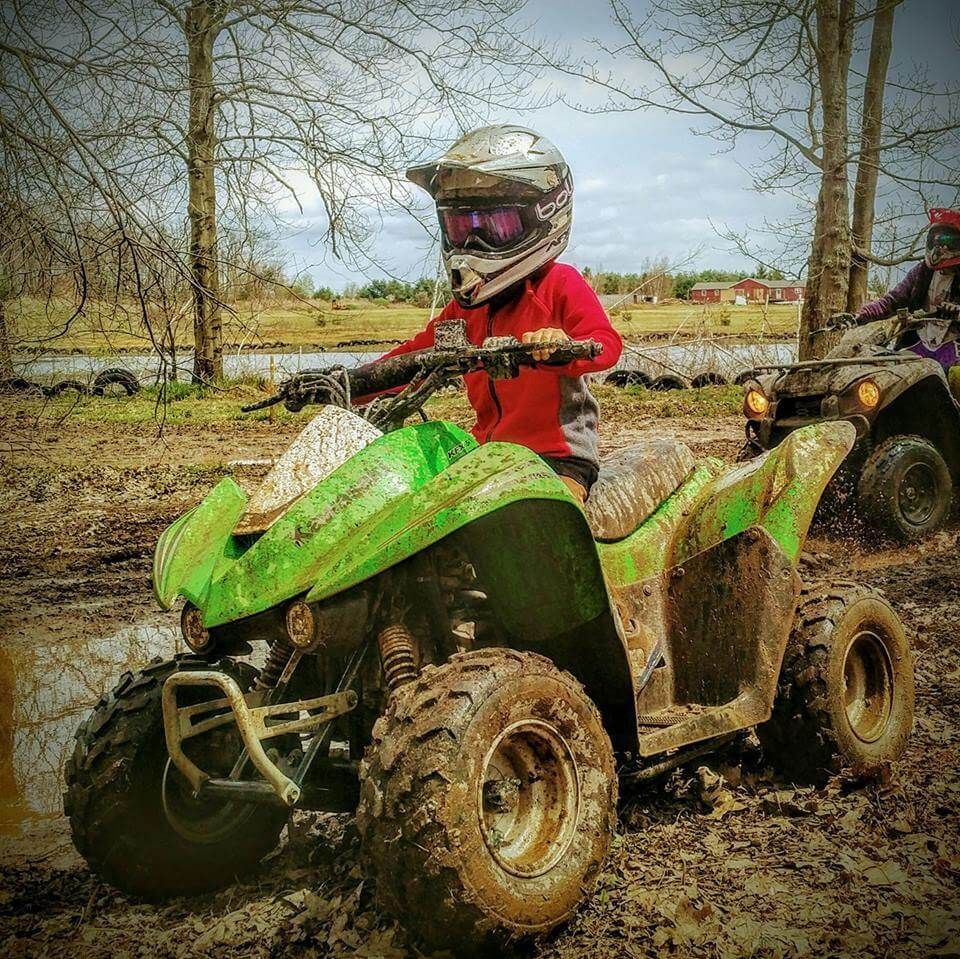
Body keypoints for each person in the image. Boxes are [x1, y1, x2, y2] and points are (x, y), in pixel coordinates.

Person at [358, 125, 623, 503]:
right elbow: (413, 357)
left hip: (557, 459)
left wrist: (565, 345)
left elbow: (606, 343)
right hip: (487, 454)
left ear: (543, 215)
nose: (472, 241)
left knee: (547, 522)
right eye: (461, 226)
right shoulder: (465, 311)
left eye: (493, 226)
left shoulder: (559, 284)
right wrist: (351, 383)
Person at [854, 208, 960, 369]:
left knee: (955, 379)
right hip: (917, 344)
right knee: (885, 376)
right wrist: (858, 316)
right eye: (936, 241)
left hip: (952, 347)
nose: (941, 248)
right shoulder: (921, 272)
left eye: (949, 242)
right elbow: (891, 301)